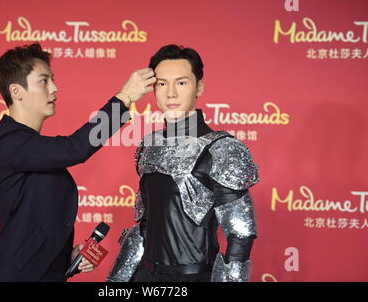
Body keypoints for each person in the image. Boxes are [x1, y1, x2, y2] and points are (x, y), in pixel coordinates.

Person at [0, 42, 155, 281]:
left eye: (52, 79)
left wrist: (66, 256)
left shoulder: (26, 145)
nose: (54, 88)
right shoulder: (7, 140)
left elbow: (35, 220)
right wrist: (124, 98)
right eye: (44, 81)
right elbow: (75, 148)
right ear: (16, 91)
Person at [107, 44, 259, 282]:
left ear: (199, 87)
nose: (171, 94)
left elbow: (240, 234)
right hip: (144, 277)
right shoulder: (149, 145)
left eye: (181, 83)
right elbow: (145, 224)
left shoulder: (221, 148)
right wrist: (118, 280)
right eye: (162, 83)